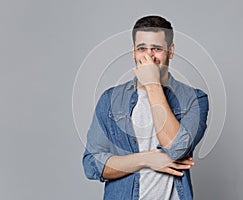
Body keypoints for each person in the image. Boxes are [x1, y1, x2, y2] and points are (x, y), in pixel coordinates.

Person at [82, 15, 209, 200]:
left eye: (157, 49)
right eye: (142, 49)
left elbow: (177, 149)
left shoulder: (194, 99)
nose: (149, 56)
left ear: (170, 51)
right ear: (133, 52)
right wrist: (146, 159)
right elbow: (92, 164)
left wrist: (152, 84)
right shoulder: (110, 100)